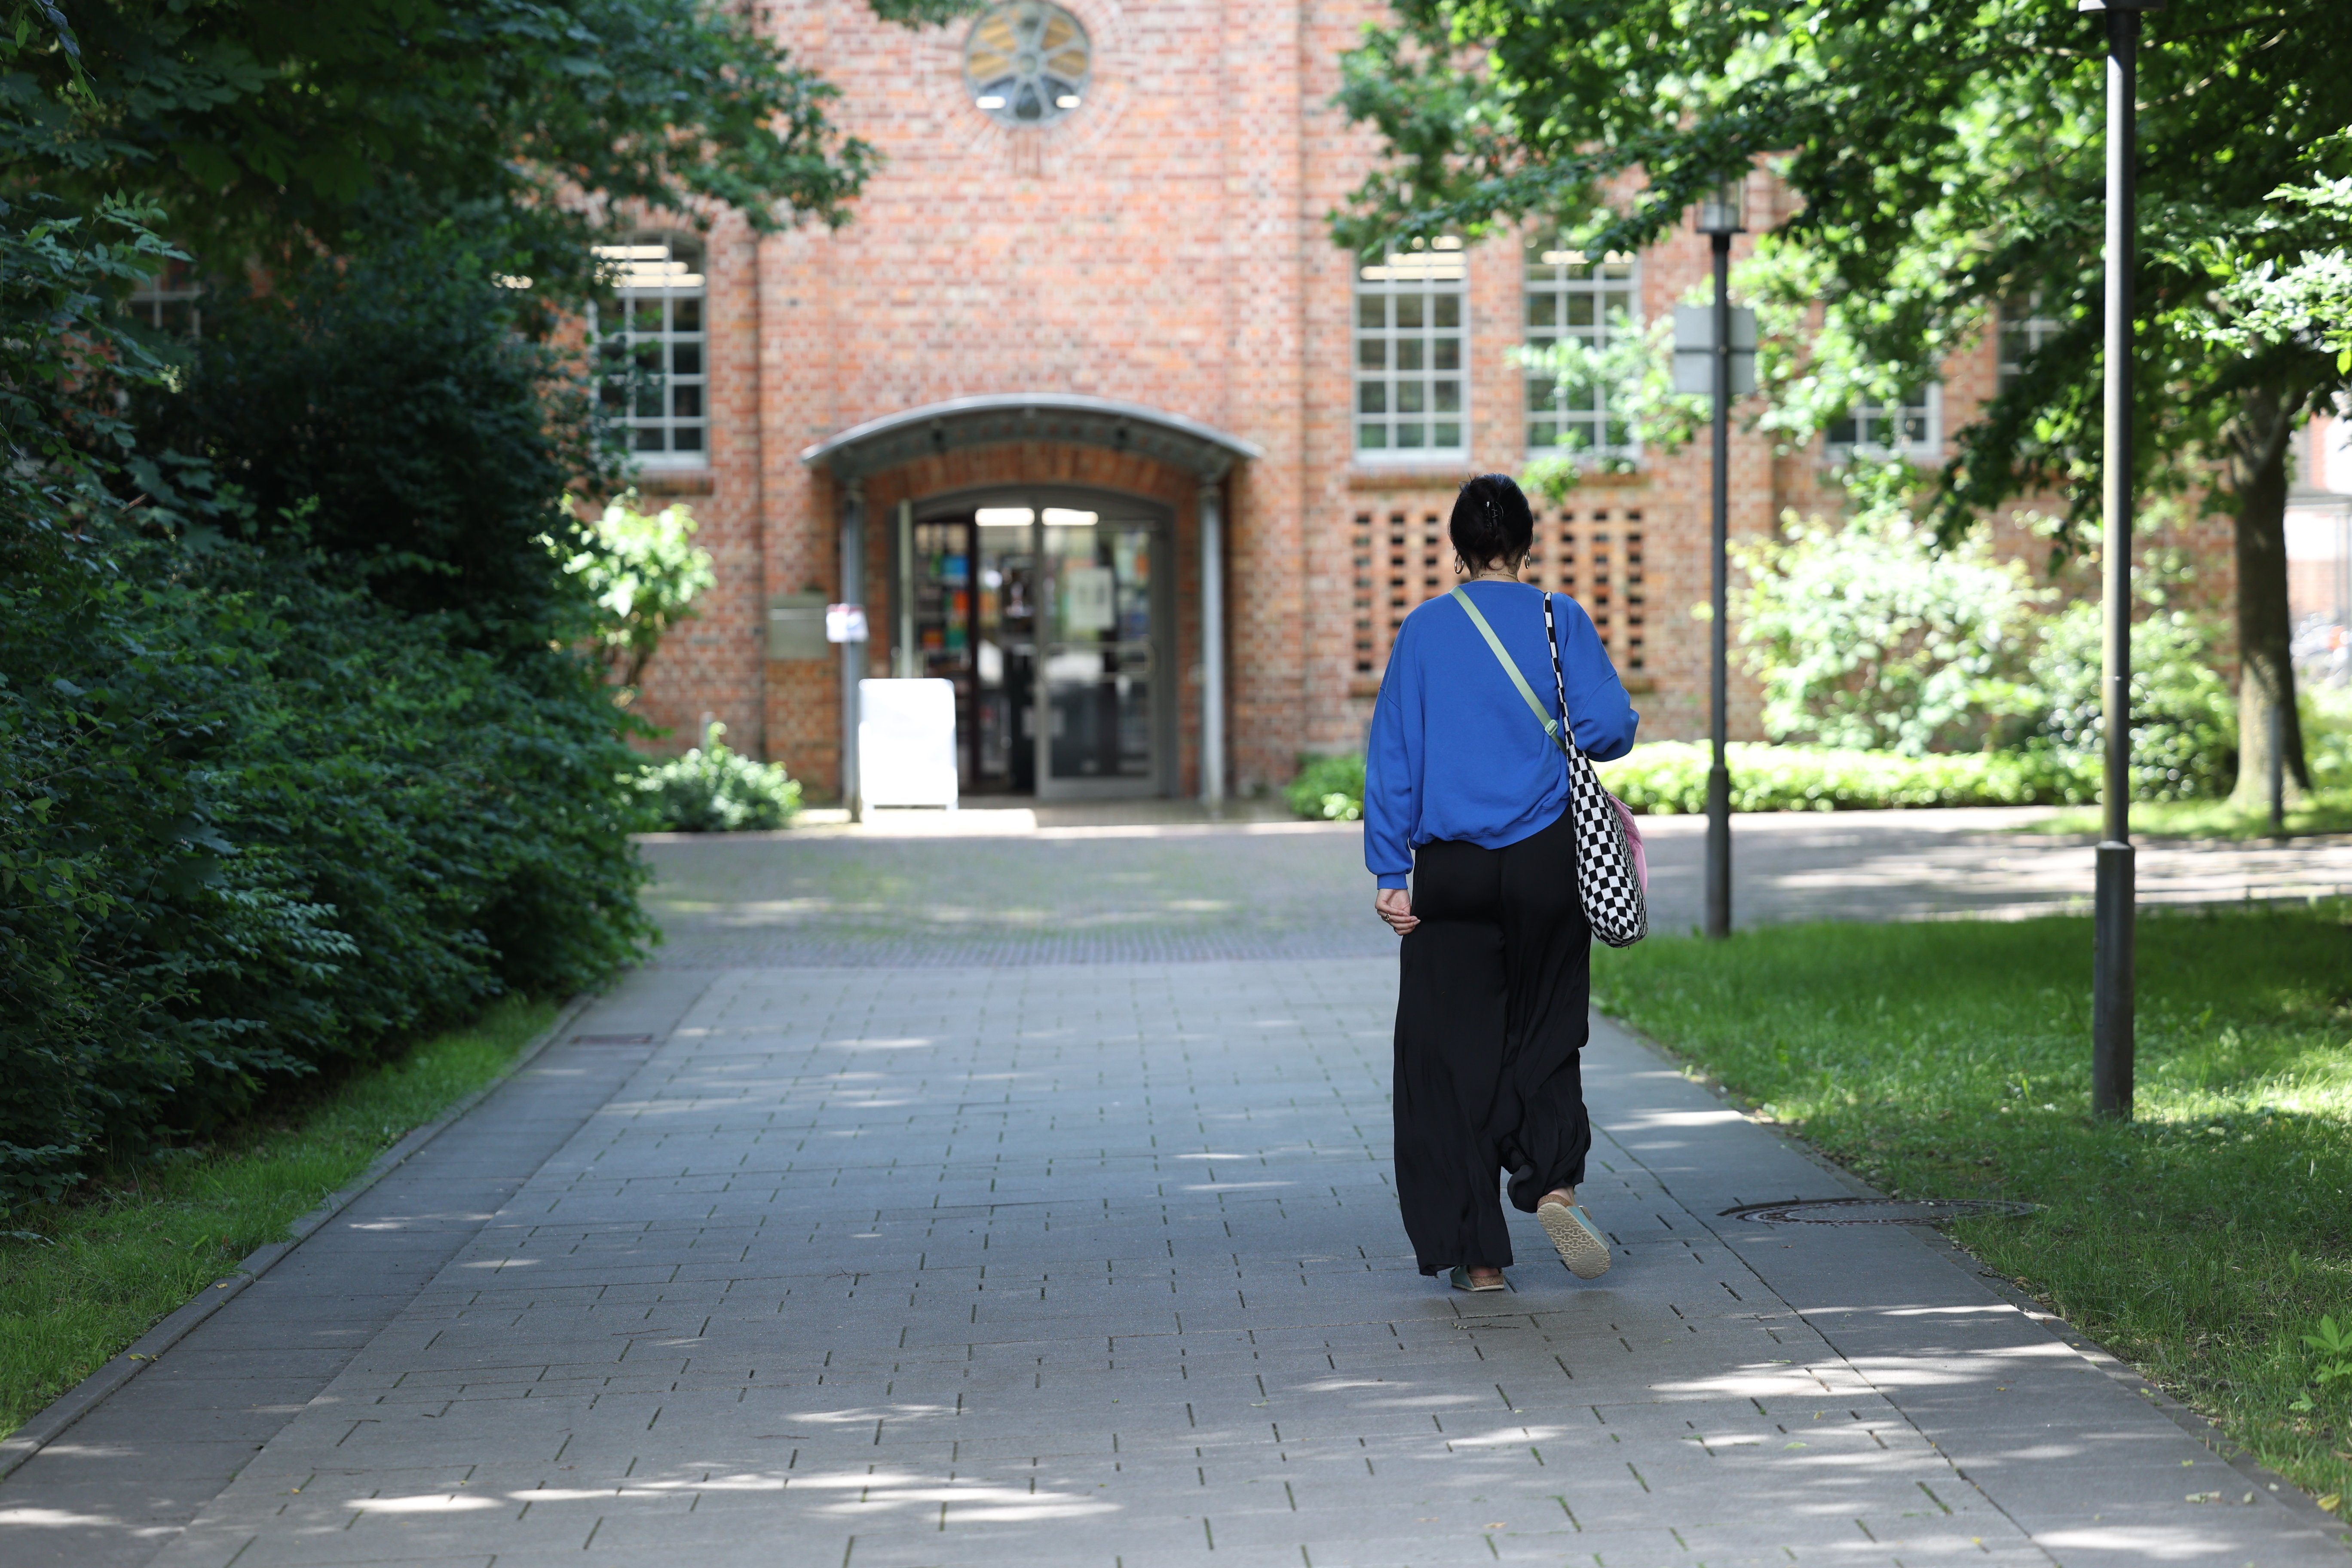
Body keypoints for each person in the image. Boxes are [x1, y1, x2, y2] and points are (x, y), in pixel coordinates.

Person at [1363, 474, 1638, 1292]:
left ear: (1455, 548)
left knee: (1449, 1055)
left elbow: (1394, 759)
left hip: (1451, 870)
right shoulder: (1561, 618)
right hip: (1548, 861)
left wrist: (1390, 871)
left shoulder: (1424, 631)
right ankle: (1553, 1180)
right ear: (1528, 544)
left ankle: (1479, 1259)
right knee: (1549, 1028)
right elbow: (1610, 729)